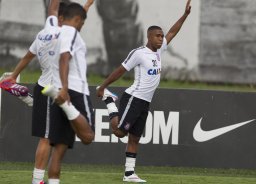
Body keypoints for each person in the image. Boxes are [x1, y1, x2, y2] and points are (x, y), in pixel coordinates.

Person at [97, 0, 192, 182]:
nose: (161, 38)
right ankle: (109, 102)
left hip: (145, 102)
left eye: (161, 36)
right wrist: (103, 86)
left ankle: (129, 174)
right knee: (119, 132)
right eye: (158, 36)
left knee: (135, 137)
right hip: (134, 97)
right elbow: (120, 70)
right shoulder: (139, 53)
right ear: (149, 37)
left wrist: (185, 15)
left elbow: (173, 31)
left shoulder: (159, 50)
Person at [0, 1, 95, 184]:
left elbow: (29, 54)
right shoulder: (64, 33)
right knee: (48, 138)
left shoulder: (46, 30)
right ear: (68, 18)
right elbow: (66, 54)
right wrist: (87, 5)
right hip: (56, 88)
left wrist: (14, 75)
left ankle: (28, 99)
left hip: (43, 84)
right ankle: (37, 181)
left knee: (55, 142)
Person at [41, 2, 95, 184]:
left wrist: (86, 6)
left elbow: (53, 9)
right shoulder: (71, 32)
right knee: (88, 137)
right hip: (74, 89)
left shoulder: (54, 31)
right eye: (82, 23)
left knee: (59, 147)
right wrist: (65, 91)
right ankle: (65, 104)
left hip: (57, 88)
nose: (82, 27)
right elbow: (65, 57)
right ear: (78, 20)